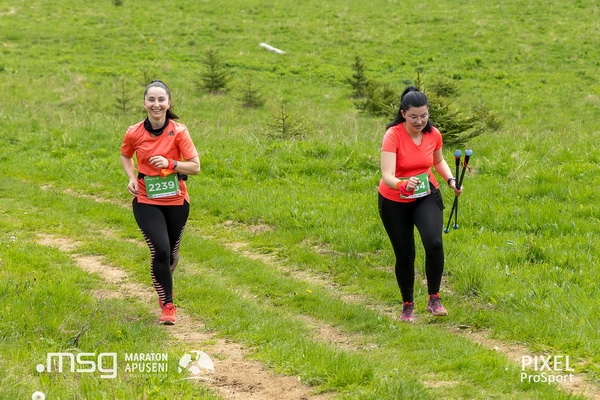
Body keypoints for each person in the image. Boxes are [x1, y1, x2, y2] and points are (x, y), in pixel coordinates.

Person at [378, 86, 462, 323]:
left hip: (425, 195)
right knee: (405, 254)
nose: (419, 121)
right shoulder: (393, 135)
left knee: (434, 243)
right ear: (403, 114)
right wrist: (402, 184)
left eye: (423, 115)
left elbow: (439, 161)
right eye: (413, 116)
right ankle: (408, 305)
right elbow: (387, 175)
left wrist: (451, 180)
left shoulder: (433, 133)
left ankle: (434, 298)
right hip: (394, 200)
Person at [120, 80, 200, 325]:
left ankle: (164, 276)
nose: (156, 104)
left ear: (168, 103)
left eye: (161, 100)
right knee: (160, 250)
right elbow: (125, 155)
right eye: (151, 100)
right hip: (146, 198)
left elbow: (195, 167)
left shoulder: (179, 131)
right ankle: (168, 304)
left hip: (176, 199)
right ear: (144, 103)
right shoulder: (134, 132)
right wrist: (131, 177)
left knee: (171, 253)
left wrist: (171, 164)